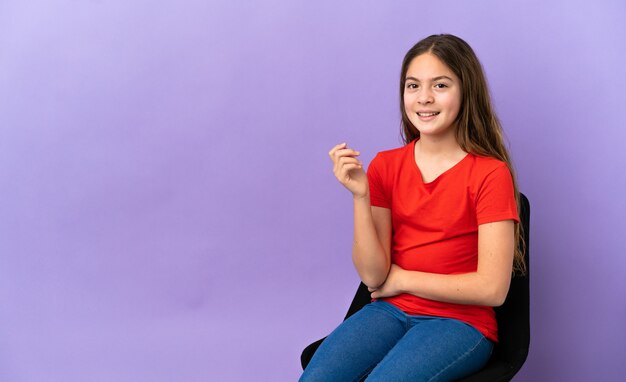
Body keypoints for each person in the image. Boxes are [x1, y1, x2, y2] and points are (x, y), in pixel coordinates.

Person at [299, 34, 525, 382]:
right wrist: (361, 196)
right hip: (389, 311)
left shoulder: (490, 174)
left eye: (441, 85)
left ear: (466, 92)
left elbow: (492, 289)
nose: (424, 98)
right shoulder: (385, 167)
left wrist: (403, 279)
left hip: (461, 324)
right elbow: (374, 278)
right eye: (413, 85)